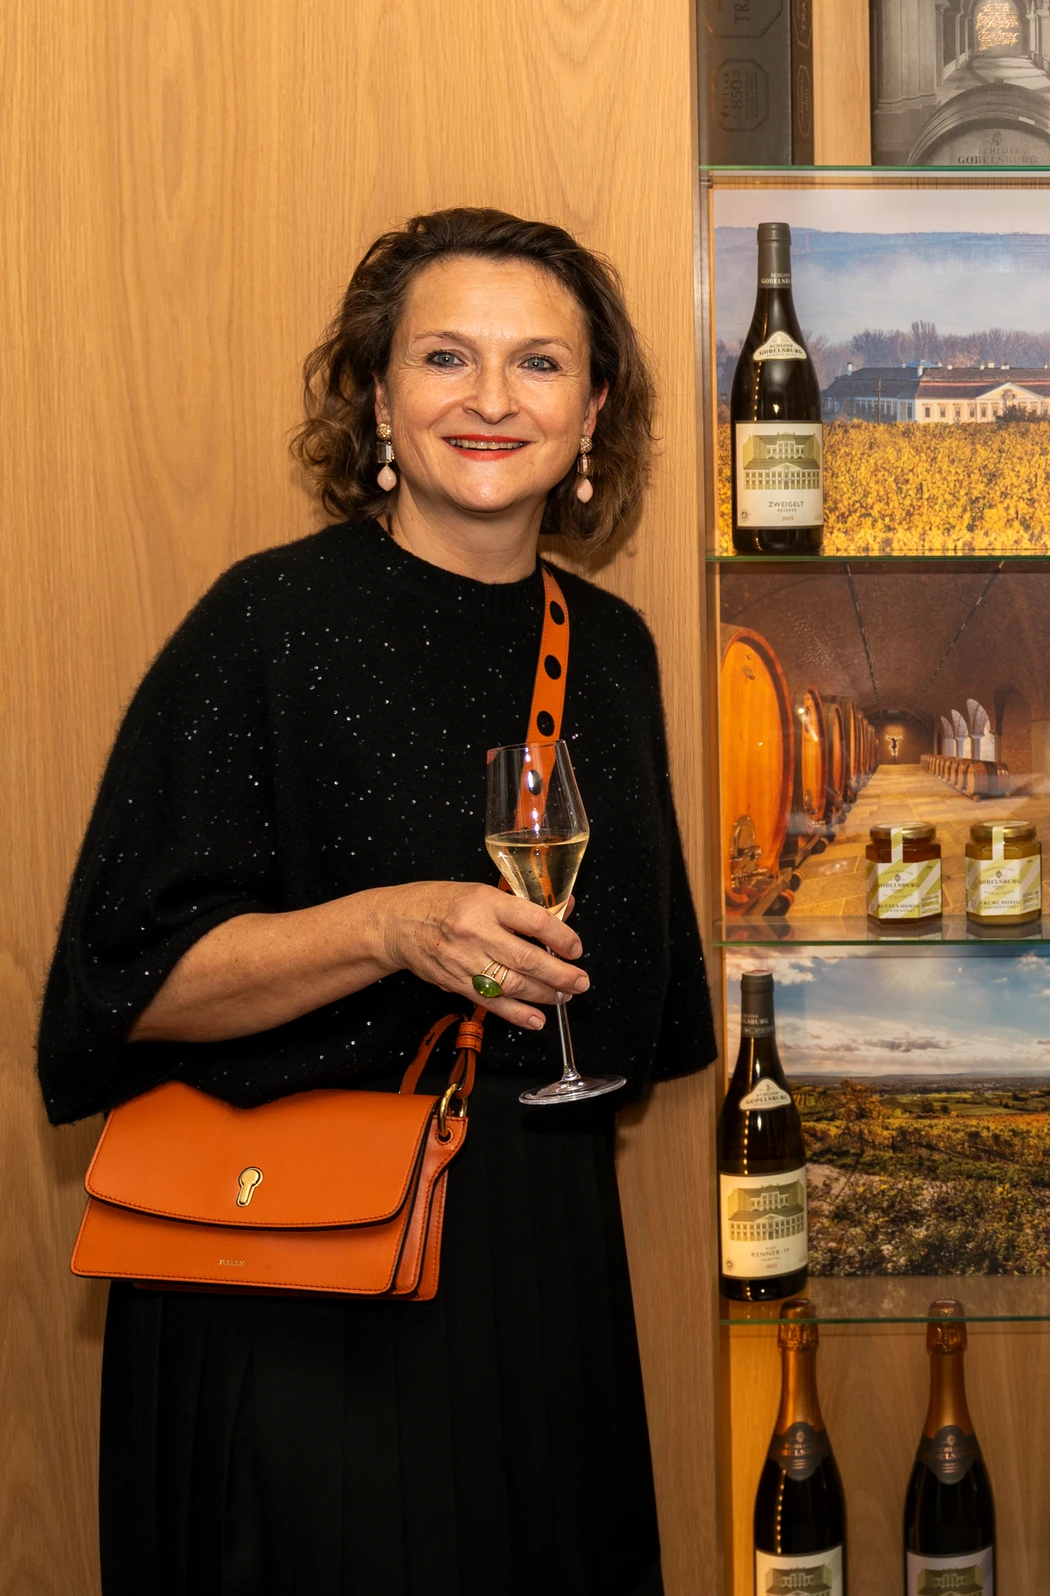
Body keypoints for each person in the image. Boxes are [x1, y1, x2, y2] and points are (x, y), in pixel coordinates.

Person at [37, 207, 716, 1595]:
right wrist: (393, 927)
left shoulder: (612, 650)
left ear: (593, 413)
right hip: (297, 1288)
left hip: (535, 1268)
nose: (490, 398)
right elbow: (121, 989)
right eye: (445, 356)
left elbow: (638, 1023)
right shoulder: (267, 625)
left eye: (539, 363)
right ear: (378, 399)